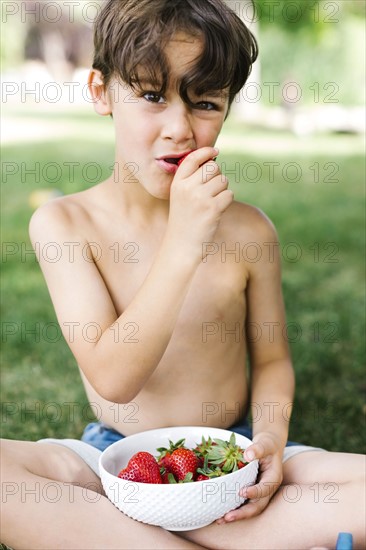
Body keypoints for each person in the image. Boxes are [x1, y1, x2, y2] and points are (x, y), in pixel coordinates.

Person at [1, 1, 364, 548]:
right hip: (115, 463)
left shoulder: (249, 232)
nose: (180, 128)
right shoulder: (64, 223)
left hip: (231, 461)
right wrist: (184, 242)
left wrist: (268, 439)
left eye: (205, 103)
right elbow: (115, 378)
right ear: (101, 92)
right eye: (151, 96)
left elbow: (272, 360)